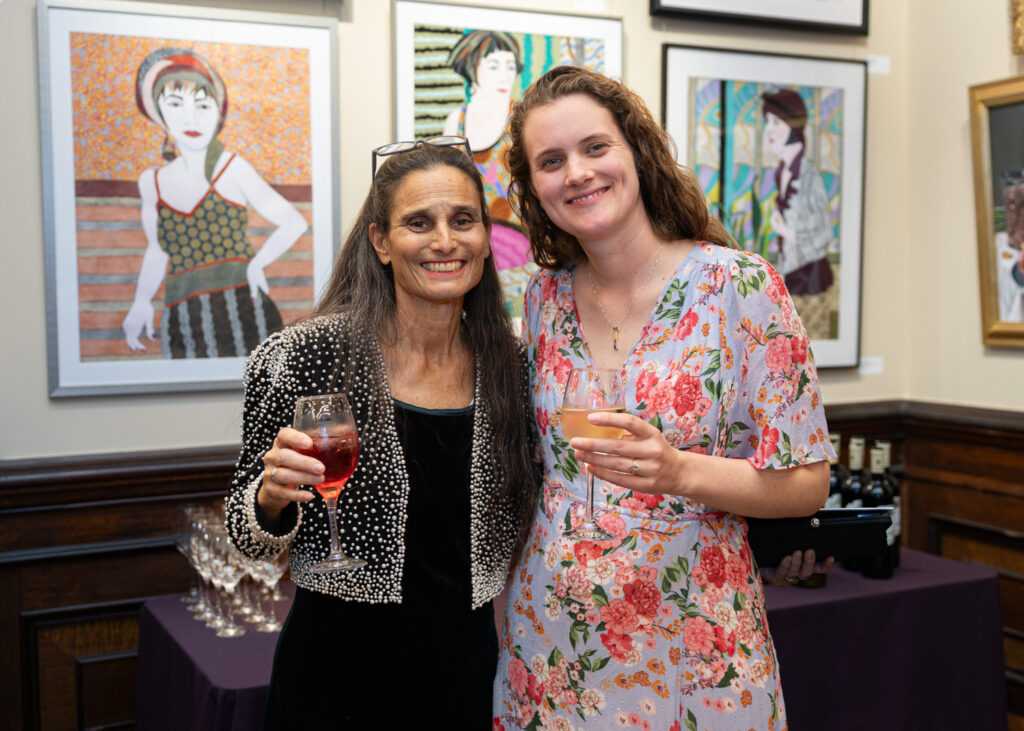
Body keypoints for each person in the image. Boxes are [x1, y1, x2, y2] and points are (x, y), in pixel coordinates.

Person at [491, 66, 834, 729]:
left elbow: (807, 484)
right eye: (551, 161)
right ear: (534, 187)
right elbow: (537, 476)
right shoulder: (541, 297)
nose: (578, 173)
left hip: (698, 643)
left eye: (596, 147)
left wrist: (679, 472)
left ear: (636, 152)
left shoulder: (741, 287)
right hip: (551, 647)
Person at [225, 141, 536, 728]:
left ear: (485, 237)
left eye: (462, 220)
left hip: (462, 674)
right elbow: (247, 538)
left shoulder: (513, 370)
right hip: (333, 678)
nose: (444, 241)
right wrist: (270, 498)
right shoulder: (306, 356)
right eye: (418, 223)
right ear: (381, 241)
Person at [125, 48, 307, 358]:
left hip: (242, 309)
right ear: (159, 113)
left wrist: (257, 264)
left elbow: (294, 222)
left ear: (217, 113)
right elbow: (157, 249)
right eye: (175, 104)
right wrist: (141, 301)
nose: (191, 117)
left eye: (202, 105)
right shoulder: (152, 181)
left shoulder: (231, 168)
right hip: (182, 316)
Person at [442, 30, 536, 316]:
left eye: (510, 67)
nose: (504, 76)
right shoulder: (456, 121)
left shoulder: (523, 119)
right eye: (494, 67)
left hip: (521, 247)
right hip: (469, 246)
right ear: (473, 69)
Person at [762, 87, 835, 340]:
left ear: (793, 125)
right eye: (767, 121)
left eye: (776, 122)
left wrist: (787, 232)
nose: (768, 130)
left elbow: (825, 233)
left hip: (812, 283)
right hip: (791, 280)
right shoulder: (781, 171)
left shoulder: (808, 174)